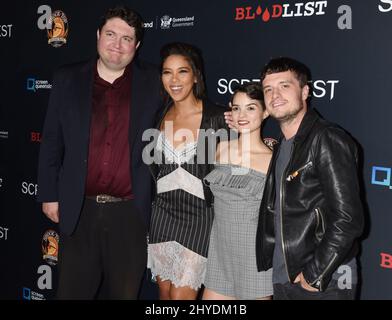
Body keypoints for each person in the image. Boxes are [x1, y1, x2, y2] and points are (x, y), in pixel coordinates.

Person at [37, 6, 161, 299]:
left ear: (137, 45)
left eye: (127, 39)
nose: (117, 45)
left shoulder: (155, 82)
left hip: (131, 213)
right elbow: (52, 140)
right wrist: (49, 194)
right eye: (110, 34)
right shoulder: (67, 78)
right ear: (97, 36)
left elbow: (190, 108)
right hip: (78, 209)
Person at [241, 57, 363, 300]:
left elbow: (348, 218)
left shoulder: (326, 138)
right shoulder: (283, 145)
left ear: (305, 91)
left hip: (324, 280)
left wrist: (315, 274)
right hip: (285, 276)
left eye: (284, 86)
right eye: (268, 89)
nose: (275, 95)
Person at [146, 42, 229, 300]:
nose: (174, 80)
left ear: (195, 76)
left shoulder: (217, 118)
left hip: (199, 218)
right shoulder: (158, 116)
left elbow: (229, 177)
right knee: (164, 293)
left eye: (182, 71)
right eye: (167, 72)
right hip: (162, 214)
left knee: (181, 296)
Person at [202, 83, 273, 300]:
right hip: (220, 251)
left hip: (253, 257)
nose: (242, 114)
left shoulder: (272, 160)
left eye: (251, 108)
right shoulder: (220, 148)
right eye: (236, 108)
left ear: (266, 112)